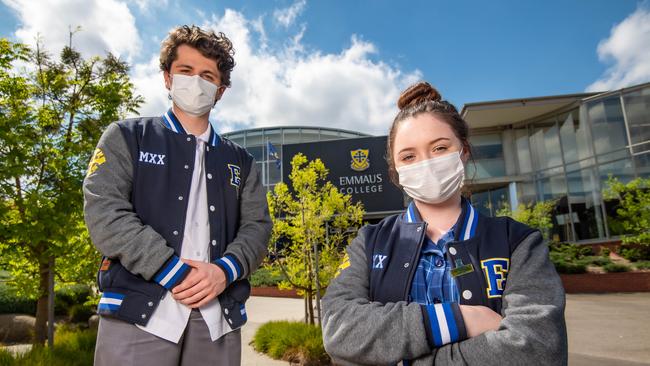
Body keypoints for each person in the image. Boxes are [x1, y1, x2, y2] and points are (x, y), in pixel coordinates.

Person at [322, 81, 567, 365]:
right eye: (409, 156)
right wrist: (457, 319)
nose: (425, 163)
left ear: (463, 151)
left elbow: (539, 348)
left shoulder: (518, 242)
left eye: (439, 148)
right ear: (396, 171)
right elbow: (339, 328)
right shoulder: (369, 241)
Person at [83, 25, 272, 365]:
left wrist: (224, 271)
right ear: (168, 78)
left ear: (221, 90)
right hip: (138, 313)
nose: (195, 82)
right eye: (185, 71)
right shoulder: (126, 137)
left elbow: (257, 227)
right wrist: (172, 270)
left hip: (217, 319)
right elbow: (105, 212)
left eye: (207, 75)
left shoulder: (242, 162)